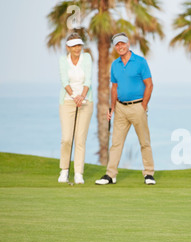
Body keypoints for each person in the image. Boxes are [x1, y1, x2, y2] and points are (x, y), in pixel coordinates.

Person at [95, 33, 156, 185]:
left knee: (144, 142)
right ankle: (110, 175)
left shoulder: (140, 62)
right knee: (116, 143)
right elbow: (114, 88)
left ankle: (148, 174)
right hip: (121, 108)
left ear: (128, 44)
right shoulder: (115, 65)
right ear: (115, 47)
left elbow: (149, 85)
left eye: (122, 43)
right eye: (117, 44)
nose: (120, 46)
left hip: (138, 107)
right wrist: (112, 108)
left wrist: (143, 105)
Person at [58, 33, 93, 184]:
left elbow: (88, 80)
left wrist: (82, 97)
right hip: (67, 101)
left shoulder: (87, 58)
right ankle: (64, 171)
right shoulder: (62, 60)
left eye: (79, 45)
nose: (77, 48)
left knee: (80, 139)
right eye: (73, 46)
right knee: (67, 138)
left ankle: (78, 173)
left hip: (85, 101)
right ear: (68, 47)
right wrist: (74, 96)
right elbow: (64, 81)